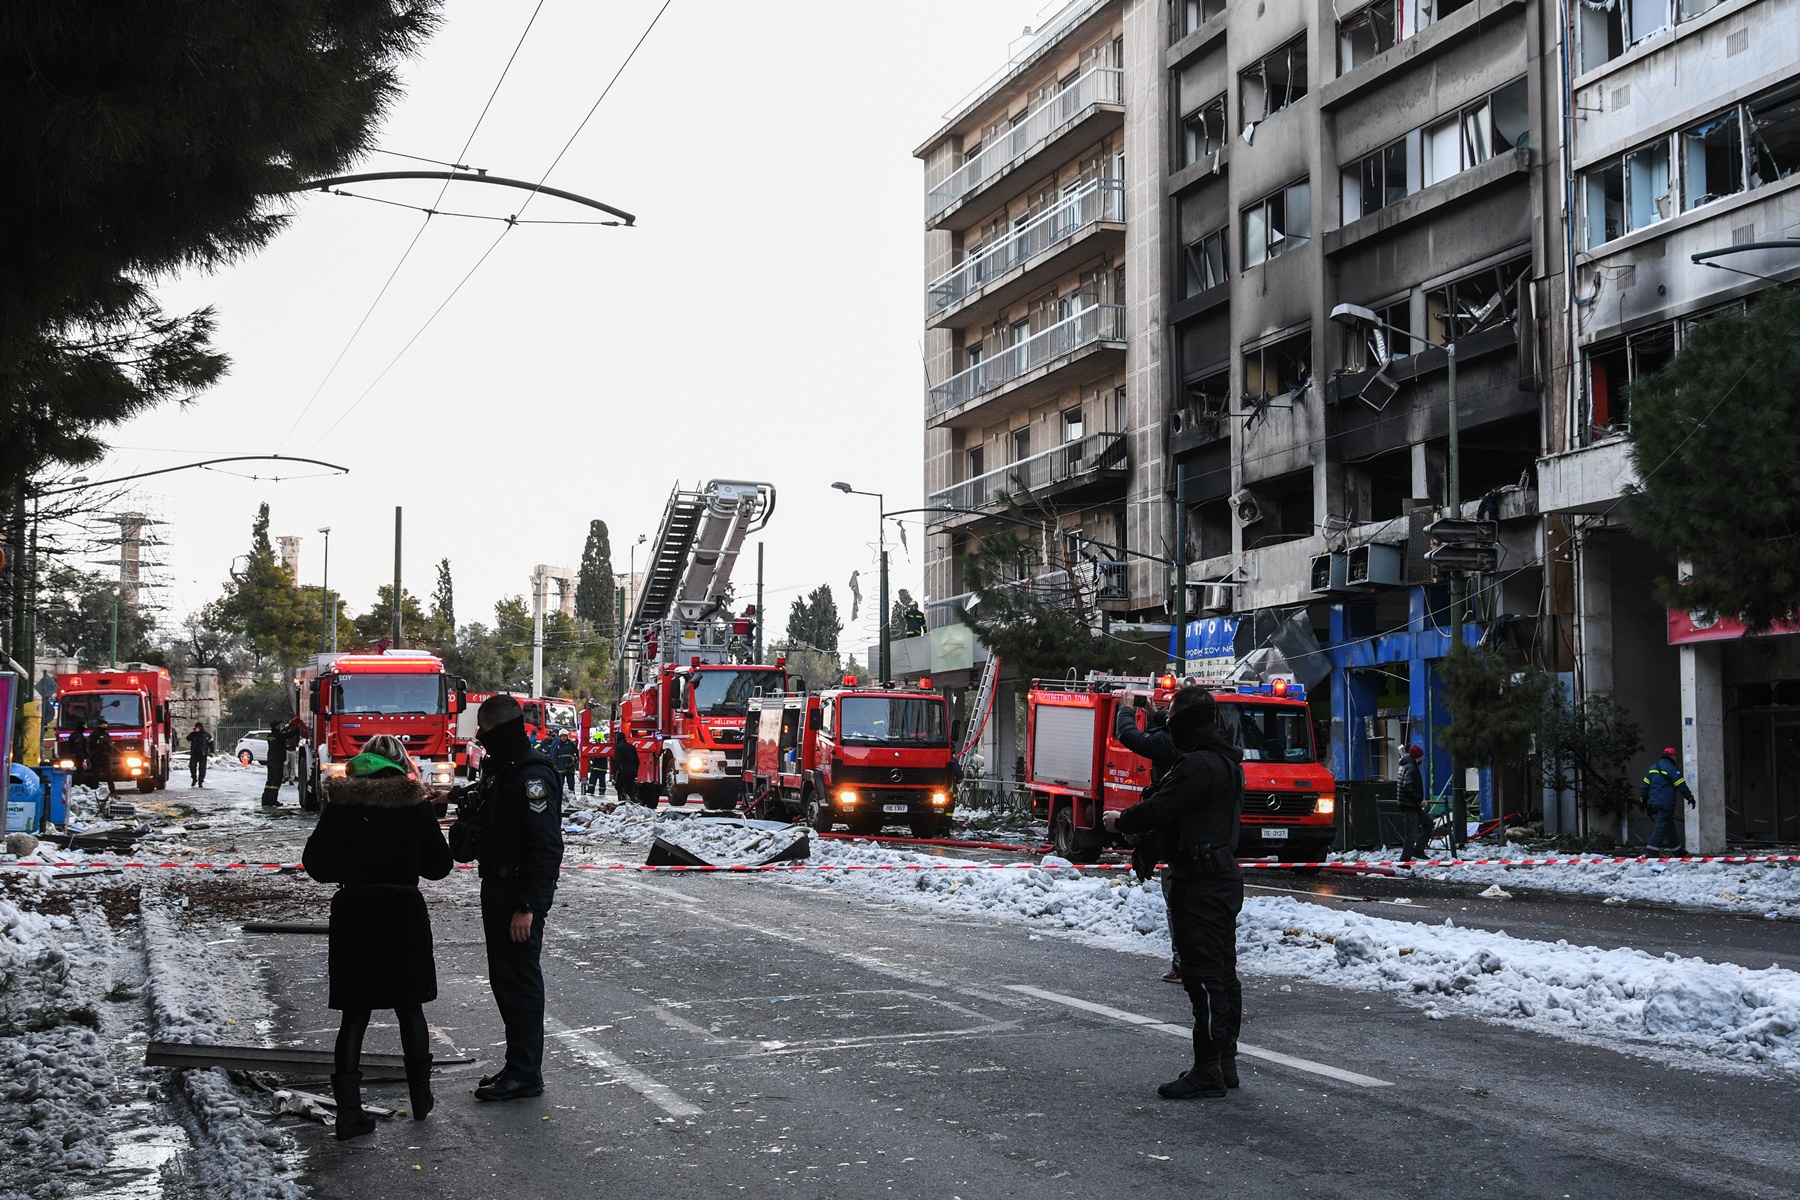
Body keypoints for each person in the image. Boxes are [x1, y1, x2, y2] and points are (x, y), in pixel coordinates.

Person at [302, 734, 453, 1139]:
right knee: (410, 1007)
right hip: (403, 912)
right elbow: (440, 867)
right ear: (402, 765)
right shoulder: (414, 805)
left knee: (356, 1012)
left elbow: (314, 864)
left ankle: (349, 1113)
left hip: (355, 912)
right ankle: (421, 1098)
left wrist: (354, 870)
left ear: (362, 762)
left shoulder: (341, 803)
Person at [1103, 687, 1244, 1100]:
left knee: (1203, 977)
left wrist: (1118, 821)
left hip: (1200, 883)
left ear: (1186, 720)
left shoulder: (1198, 764)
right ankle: (1223, 1063)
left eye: (1173, 715)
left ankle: (1208, 1069)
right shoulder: (1223, 760)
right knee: (1221, 974)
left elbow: (1161, 807)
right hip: (1216, 878)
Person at [448, 694, 564, 1102]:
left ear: (502, 730)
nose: (480, 737)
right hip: (497, 886)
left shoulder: (532, 776)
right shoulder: (505, 770)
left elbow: (546, 848)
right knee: (505, 980)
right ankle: (517, 1065)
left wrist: (528, 907)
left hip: (517, 893)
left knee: (519, 982)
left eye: (485, 730)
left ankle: (526, 1073)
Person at [1113, 693, 1184, 984]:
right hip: (1208, 852)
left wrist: (1126, 710)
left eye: (1172, 710)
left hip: (1182, 850)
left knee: (1180, 907)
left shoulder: (1172, 746)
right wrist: (1155, 715)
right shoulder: (1210, 747)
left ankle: (1184, 964)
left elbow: (1130, 737)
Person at [1641, 746, 1695, 854]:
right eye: (1676, 757)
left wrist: (1643, 800)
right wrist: (1689, 797)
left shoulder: (1653, 768)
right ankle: (1651, 850)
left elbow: (1645, 785)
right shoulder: (1671, 769)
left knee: (1668, 825)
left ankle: (1677, 850)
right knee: (1661, 826)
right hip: (1666, 803)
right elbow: (1680, 784)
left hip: (1654, 803)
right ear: (1672, 756)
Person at [1396, 743, 1427, 862]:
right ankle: (1405, 860)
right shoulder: (1411, 767)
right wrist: (1420, 800)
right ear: (1417, 757)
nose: (1421, 760)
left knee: (1428, 823)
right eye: (1421, 757)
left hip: (1409, 803)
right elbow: (1408, 785)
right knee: (1411, 834)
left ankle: (1418, 850)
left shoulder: (1405, 765)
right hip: (1409, 804)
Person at [263, 718, 303, 809]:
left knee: (269, 781)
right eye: (278, 725)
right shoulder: (279, 736)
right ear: (275, 726)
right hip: (277, 761)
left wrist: (287, 727)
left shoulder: (270, 736)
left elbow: (281, 733)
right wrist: (298, 728)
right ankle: (273, 801)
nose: (279, 726)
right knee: (276, 782)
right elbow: (290, 734)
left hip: (270, 761)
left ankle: (265, 800)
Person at [611, 731, 640, 808]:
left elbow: (617, 760)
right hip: (632, 770)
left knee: (619, 786)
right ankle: (633, 802)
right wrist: (636, 770)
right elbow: (637, 760)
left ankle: (622, 801)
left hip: (623, 770)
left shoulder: (618, 747)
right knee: (630, 787)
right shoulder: (631, 747)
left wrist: (614, 773)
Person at [186, 723, 213, 788]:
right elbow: (188, 738)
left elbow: (211, 743)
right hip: (194, 753)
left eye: (198, 727)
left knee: (202, 768)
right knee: (192, 766)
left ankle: (201, 781)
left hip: (203, 754)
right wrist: (193, 732)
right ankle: (194, 779)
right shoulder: (194, 735)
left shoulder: (206, 735)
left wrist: (212, 751)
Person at [552, 730, 579, 795]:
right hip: (560, 768)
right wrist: (555, 765)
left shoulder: (571, 745)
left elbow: (578, 754)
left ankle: (572, 795)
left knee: (571, 783)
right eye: (562, 736)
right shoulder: (557, 746)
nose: (563, 738)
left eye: (565, 736)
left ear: (567, 736)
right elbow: (553, 756)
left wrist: (575, 759)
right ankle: (559, 796)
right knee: (560, 783)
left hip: (570, 768)